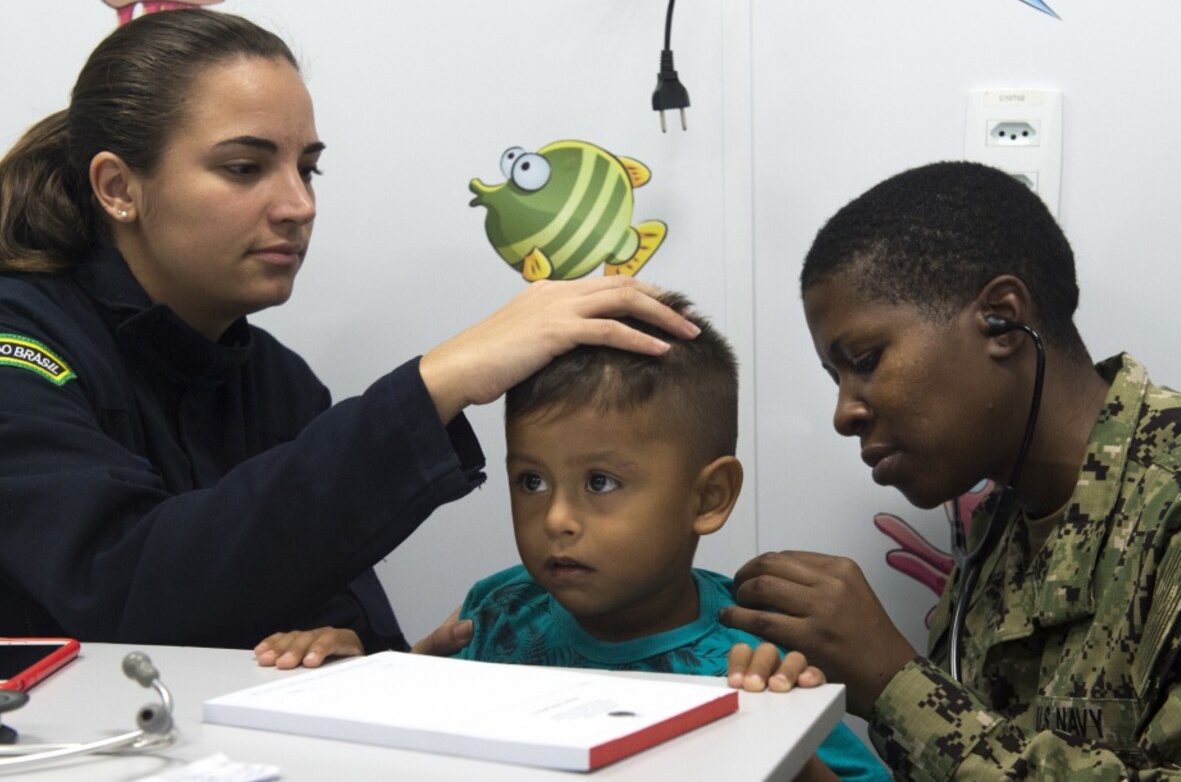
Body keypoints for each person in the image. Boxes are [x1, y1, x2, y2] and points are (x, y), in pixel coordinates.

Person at [0, 9, 697, 652]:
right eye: (245, 167)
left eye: (307, 169)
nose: (297, 204)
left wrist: (362, 654)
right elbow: (124, 583)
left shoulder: (275, 381)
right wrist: (437, 382)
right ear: (119, 188)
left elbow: (337, 612)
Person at [720, 161, 1181, 780]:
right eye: (837, 379)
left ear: (1001, 319)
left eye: (865, 360)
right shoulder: (997, 529)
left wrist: (895, 683)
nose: (844, 413)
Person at [261, 292, 889, 782]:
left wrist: (777, 746)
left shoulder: (757, 664)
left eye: (600, 482)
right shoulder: (500, 609)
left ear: (709, 497)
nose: (556, 517)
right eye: (530, 481)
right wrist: (356, 681)